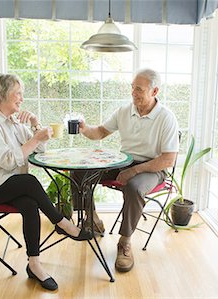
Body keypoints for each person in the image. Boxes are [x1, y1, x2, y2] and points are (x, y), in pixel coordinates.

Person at [0, 74, 92, 291]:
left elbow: (39, 149)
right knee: (29, 182)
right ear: (1, 94)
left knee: (30, 204)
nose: (21, 98)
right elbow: (8, 160)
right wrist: (35, 138)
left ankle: (34, 264)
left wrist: (35, 124)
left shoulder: (12, 121)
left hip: (0, 182)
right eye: (17, 93)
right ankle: (62, 223)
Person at [72, 68, 179, 272]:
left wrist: (135, 171)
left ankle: (125, 242)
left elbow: (168, 159)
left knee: (134, 187)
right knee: (80, 172)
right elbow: (101, 132)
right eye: (132, 87)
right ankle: (92, 219)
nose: (133, 93)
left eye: (139, 89)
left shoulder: (166, 118)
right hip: (123, 161)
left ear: (155, 91)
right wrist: (85, 128)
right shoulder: (124, 111)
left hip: (152, 168)